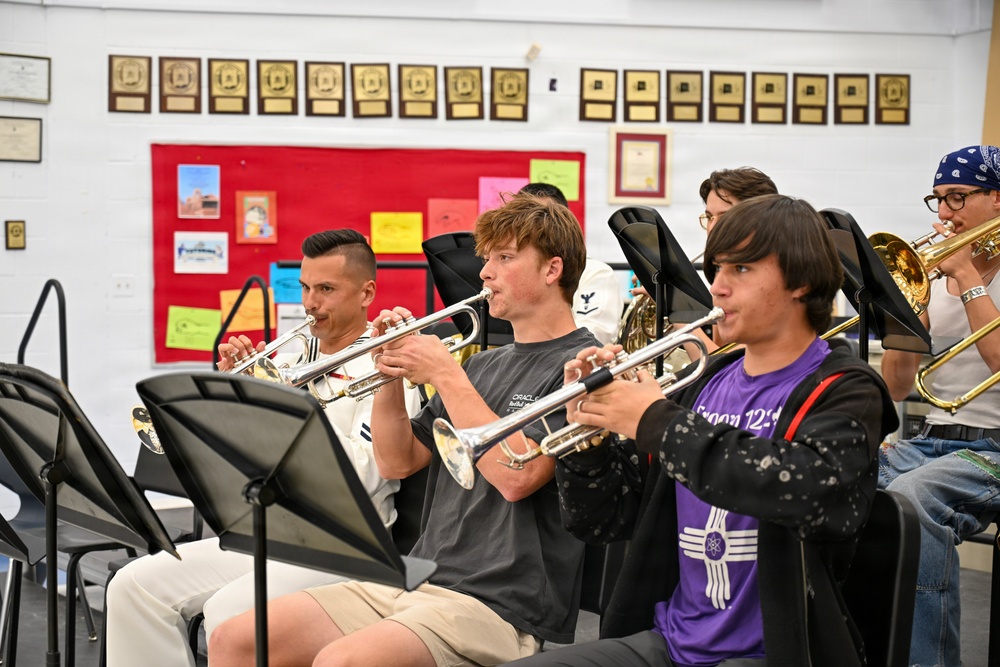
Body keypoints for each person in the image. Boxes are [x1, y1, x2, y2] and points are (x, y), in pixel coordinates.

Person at [506, 194, 898, 667]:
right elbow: (602, 521)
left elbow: (804, 489)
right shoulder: (703, 384)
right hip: (670, 641)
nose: (717, 288)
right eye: (717, 271)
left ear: (804, 282)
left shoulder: (845, 388)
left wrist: (653, 419)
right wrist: (587, 443)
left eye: (742, 270)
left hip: (776, 650)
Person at [209, 193, 599, 666]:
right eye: (486, 259)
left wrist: (446, 373)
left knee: (342, 661)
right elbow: (397, 460)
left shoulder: (584, 366)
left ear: (552, 270)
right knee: (236, 638)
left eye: (504, 258)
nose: (484, 273)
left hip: (499, 604)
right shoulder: (483, 365)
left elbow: (517, 478)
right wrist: (387, 373)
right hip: (418, 577)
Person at [105, 229, 421, 667]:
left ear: (367, 292)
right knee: (132, 585)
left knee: (230, 613)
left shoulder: (388, 364)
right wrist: (232, 398)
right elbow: (236, 461)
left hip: (346, 544)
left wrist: (297, 415)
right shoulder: (288, 361)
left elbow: (372, 475)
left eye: (327, 289)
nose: (311, 302)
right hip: (269, 529)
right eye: (306, 287)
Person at [878, 144, 1000, 667]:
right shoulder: (935, 279)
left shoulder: (964, 277)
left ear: (996, 200)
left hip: (992, 448)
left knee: (913, 497)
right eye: (939, 200)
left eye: (958, 198)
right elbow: (898, 388)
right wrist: (907, 318)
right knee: (835, 476)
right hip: (929, 440)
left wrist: (969, 279)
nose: (945, 214)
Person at [520, 182, 622, 344]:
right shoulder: (510, 271)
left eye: (543, 218)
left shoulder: (596, 272)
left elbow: (594, 335)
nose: (529, 227)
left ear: (563, 223)